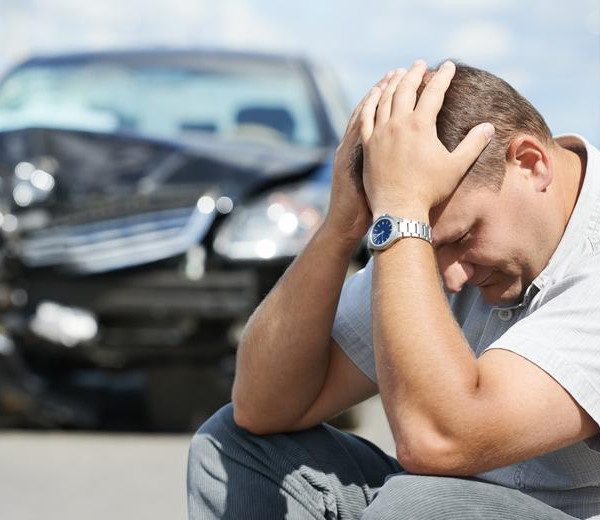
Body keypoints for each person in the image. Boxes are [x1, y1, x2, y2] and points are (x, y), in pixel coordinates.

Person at [187, 60, 600, 519]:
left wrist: (403, 212)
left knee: (417, 504)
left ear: (529, 163)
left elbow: (439, 441)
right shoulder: (429, 235)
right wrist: (341, 227)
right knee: (233, 446)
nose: (451, 277)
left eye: (463, 238)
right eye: (429, 247)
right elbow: (263, 407)